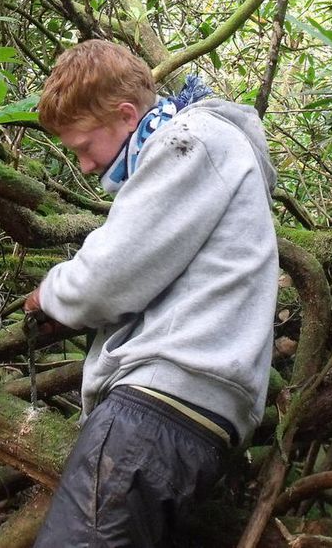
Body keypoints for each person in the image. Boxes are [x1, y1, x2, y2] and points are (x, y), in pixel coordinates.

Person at [25, 40, 278, 547]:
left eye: (83, 147)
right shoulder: (204, 153)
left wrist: (48, 296)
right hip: (192, 416)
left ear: (124, 114)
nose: (87, 167)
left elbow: (109, 276)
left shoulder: (191, 140)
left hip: (158, 409)